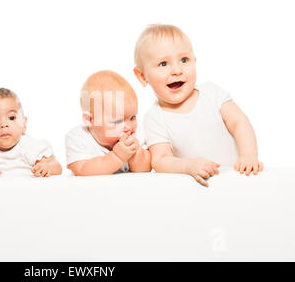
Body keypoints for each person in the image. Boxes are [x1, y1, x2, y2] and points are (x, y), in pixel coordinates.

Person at [133, 24, 264, 186]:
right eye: (163, 64)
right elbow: (160, 160)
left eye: (184, 60)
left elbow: (239, 123)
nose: (176, 70)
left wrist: (249, 155)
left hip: (237, 179)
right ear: (142, 76)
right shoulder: (155, 118)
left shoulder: (212, 93)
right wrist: (188, 166)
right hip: (197, 191)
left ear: (194, 61)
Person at [66, 70, 151, 176]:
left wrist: (136, 152)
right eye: (117, 121)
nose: (129, 127)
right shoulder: (78, 138)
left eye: (132, 117)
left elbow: (145, 170)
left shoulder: (137, 133)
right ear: (90, 120)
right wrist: (117, 156)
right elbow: (82, 170)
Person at [0, 88, 62, 178]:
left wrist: (45, 167)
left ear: (24, 124)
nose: (4, 125)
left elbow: (57, 166)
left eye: (11, 118)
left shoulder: (31, 147)